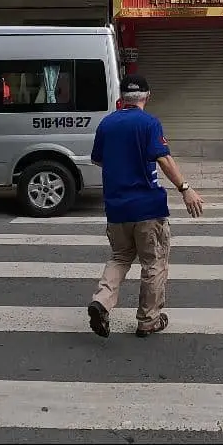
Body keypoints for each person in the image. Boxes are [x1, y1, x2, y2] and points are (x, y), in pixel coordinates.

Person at [87, 73, 204, 338]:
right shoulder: (149, 123)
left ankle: (102, 302)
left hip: (117, 208)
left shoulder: (107, 124)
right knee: (153, 263)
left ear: (122, 98)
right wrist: (185, 189)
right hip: (147, 208)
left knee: (119, 257)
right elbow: (163, 158)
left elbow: (98, 160)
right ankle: (148, 320)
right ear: (147, 97)